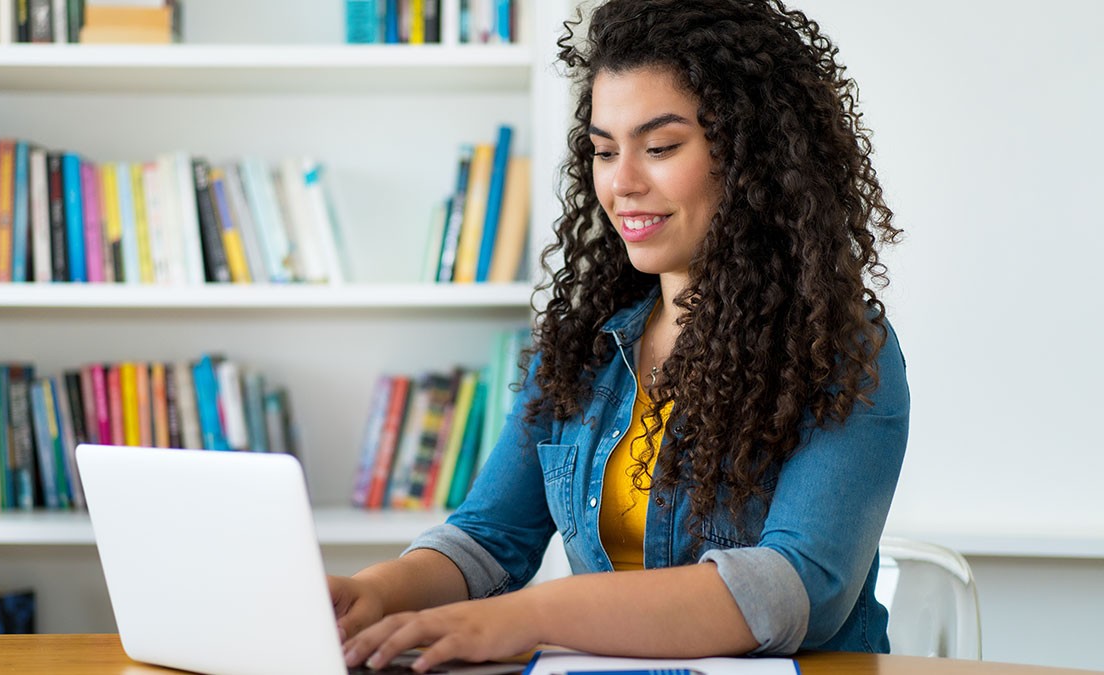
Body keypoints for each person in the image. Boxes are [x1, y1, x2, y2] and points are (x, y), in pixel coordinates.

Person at [332, 0, 908, 670]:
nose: (622, 183)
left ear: (755, 158)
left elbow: (791, 588)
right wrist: (370, 593)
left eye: (660, 147)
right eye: (605, 151)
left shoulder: (841, 348)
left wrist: (530, 615)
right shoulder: (583, 345)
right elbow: (488, 537)